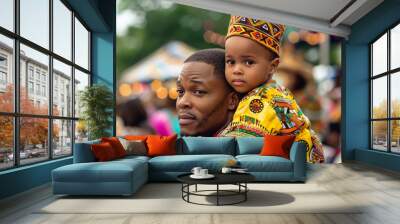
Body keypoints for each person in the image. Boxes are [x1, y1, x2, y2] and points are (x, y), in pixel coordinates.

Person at [217, 15, 324, 163]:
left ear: (272, 66)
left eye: (248, 62)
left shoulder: (259, 99)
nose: (237, 70)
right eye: (230, 62)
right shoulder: (277, 91)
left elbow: (235, 147)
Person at [176, 49, 239, 136]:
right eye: (180, 91)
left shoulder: (256, 147)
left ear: (232, 100)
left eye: (198, 92)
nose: (182, 103)